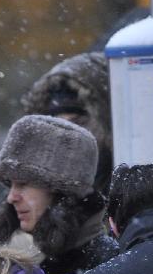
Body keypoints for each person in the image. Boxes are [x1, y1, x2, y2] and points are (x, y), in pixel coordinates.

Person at [0, 114, 118, 274]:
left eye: (22, 184)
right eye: (10, 185)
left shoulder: (102, 266)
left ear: (61, 192)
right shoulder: (11, 261)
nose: (11, 198)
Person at [21, 52, 114, 194]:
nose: (67, 133)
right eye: (57, 124)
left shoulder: (129, 192)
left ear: (104, 122)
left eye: (78, 122)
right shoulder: (36, 193)